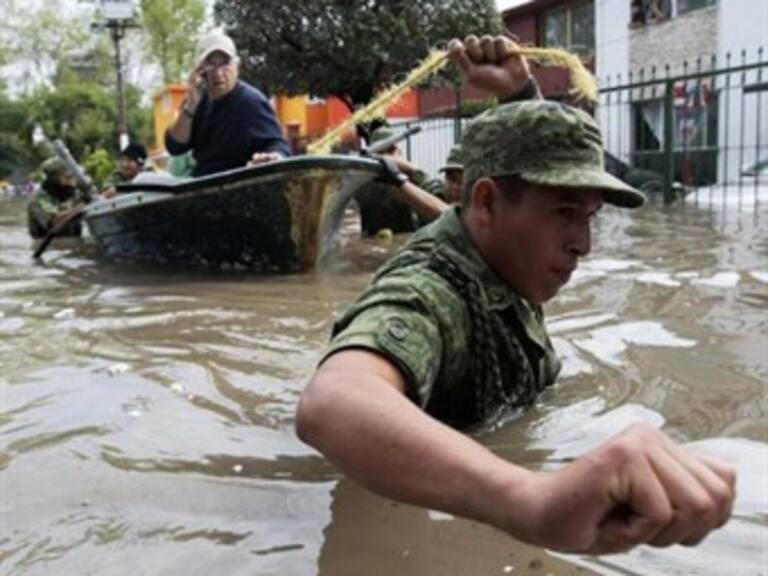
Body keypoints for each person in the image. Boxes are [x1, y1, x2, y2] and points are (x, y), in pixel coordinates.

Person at [296, 34, 735, 555]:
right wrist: (531, 499)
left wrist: (522, 92)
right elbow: (332, 403)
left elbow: (529, 183)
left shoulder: (506, 255)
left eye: (590, 217)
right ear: (484, 203)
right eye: (565, 214)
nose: (584, 245)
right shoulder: (430, 291)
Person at [165, 30, 291, 177]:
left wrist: (273, 157)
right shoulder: (197, 100)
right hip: (202, 185)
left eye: (225, 64)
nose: (218, 73)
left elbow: (278, 145)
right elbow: (174, 146)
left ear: (237, 66)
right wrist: (190, 106)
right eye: (211, 65)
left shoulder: (250, 102)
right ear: (199, 70)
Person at [357, 126, 447, 236]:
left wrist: (412, 171)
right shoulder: (362, 183)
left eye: (390, 151)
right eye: (380, 153)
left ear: (399, 153)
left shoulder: (411, 178)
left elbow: (441, 202)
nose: (387, 158)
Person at [27, 157, 88, 239]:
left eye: (73, 178)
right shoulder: (36, 200)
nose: (72, 183)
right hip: (49, 248)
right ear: (53, 179)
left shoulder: (71, 194)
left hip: (73, 242)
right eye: (67, 178)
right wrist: (82, 206)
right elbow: (54, 222)